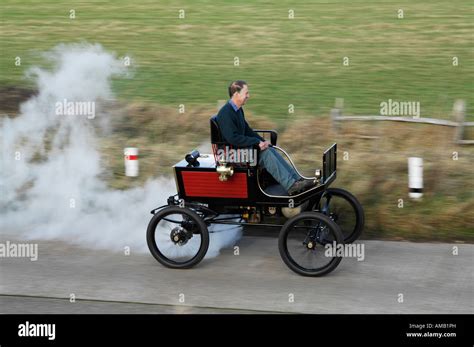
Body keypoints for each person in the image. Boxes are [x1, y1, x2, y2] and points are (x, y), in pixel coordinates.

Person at [216, 80, 315, 195]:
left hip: (238, 149)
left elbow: (247, 130)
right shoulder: (226, 113)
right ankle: (291, 185)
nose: (248, 96)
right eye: (246, 93)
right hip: (231, 154)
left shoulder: (237, 110)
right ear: (236, 94)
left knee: (269, 149)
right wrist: (255, 143)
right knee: (265, 154)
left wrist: (262, 141)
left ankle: (297, 180)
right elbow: (232, 138)